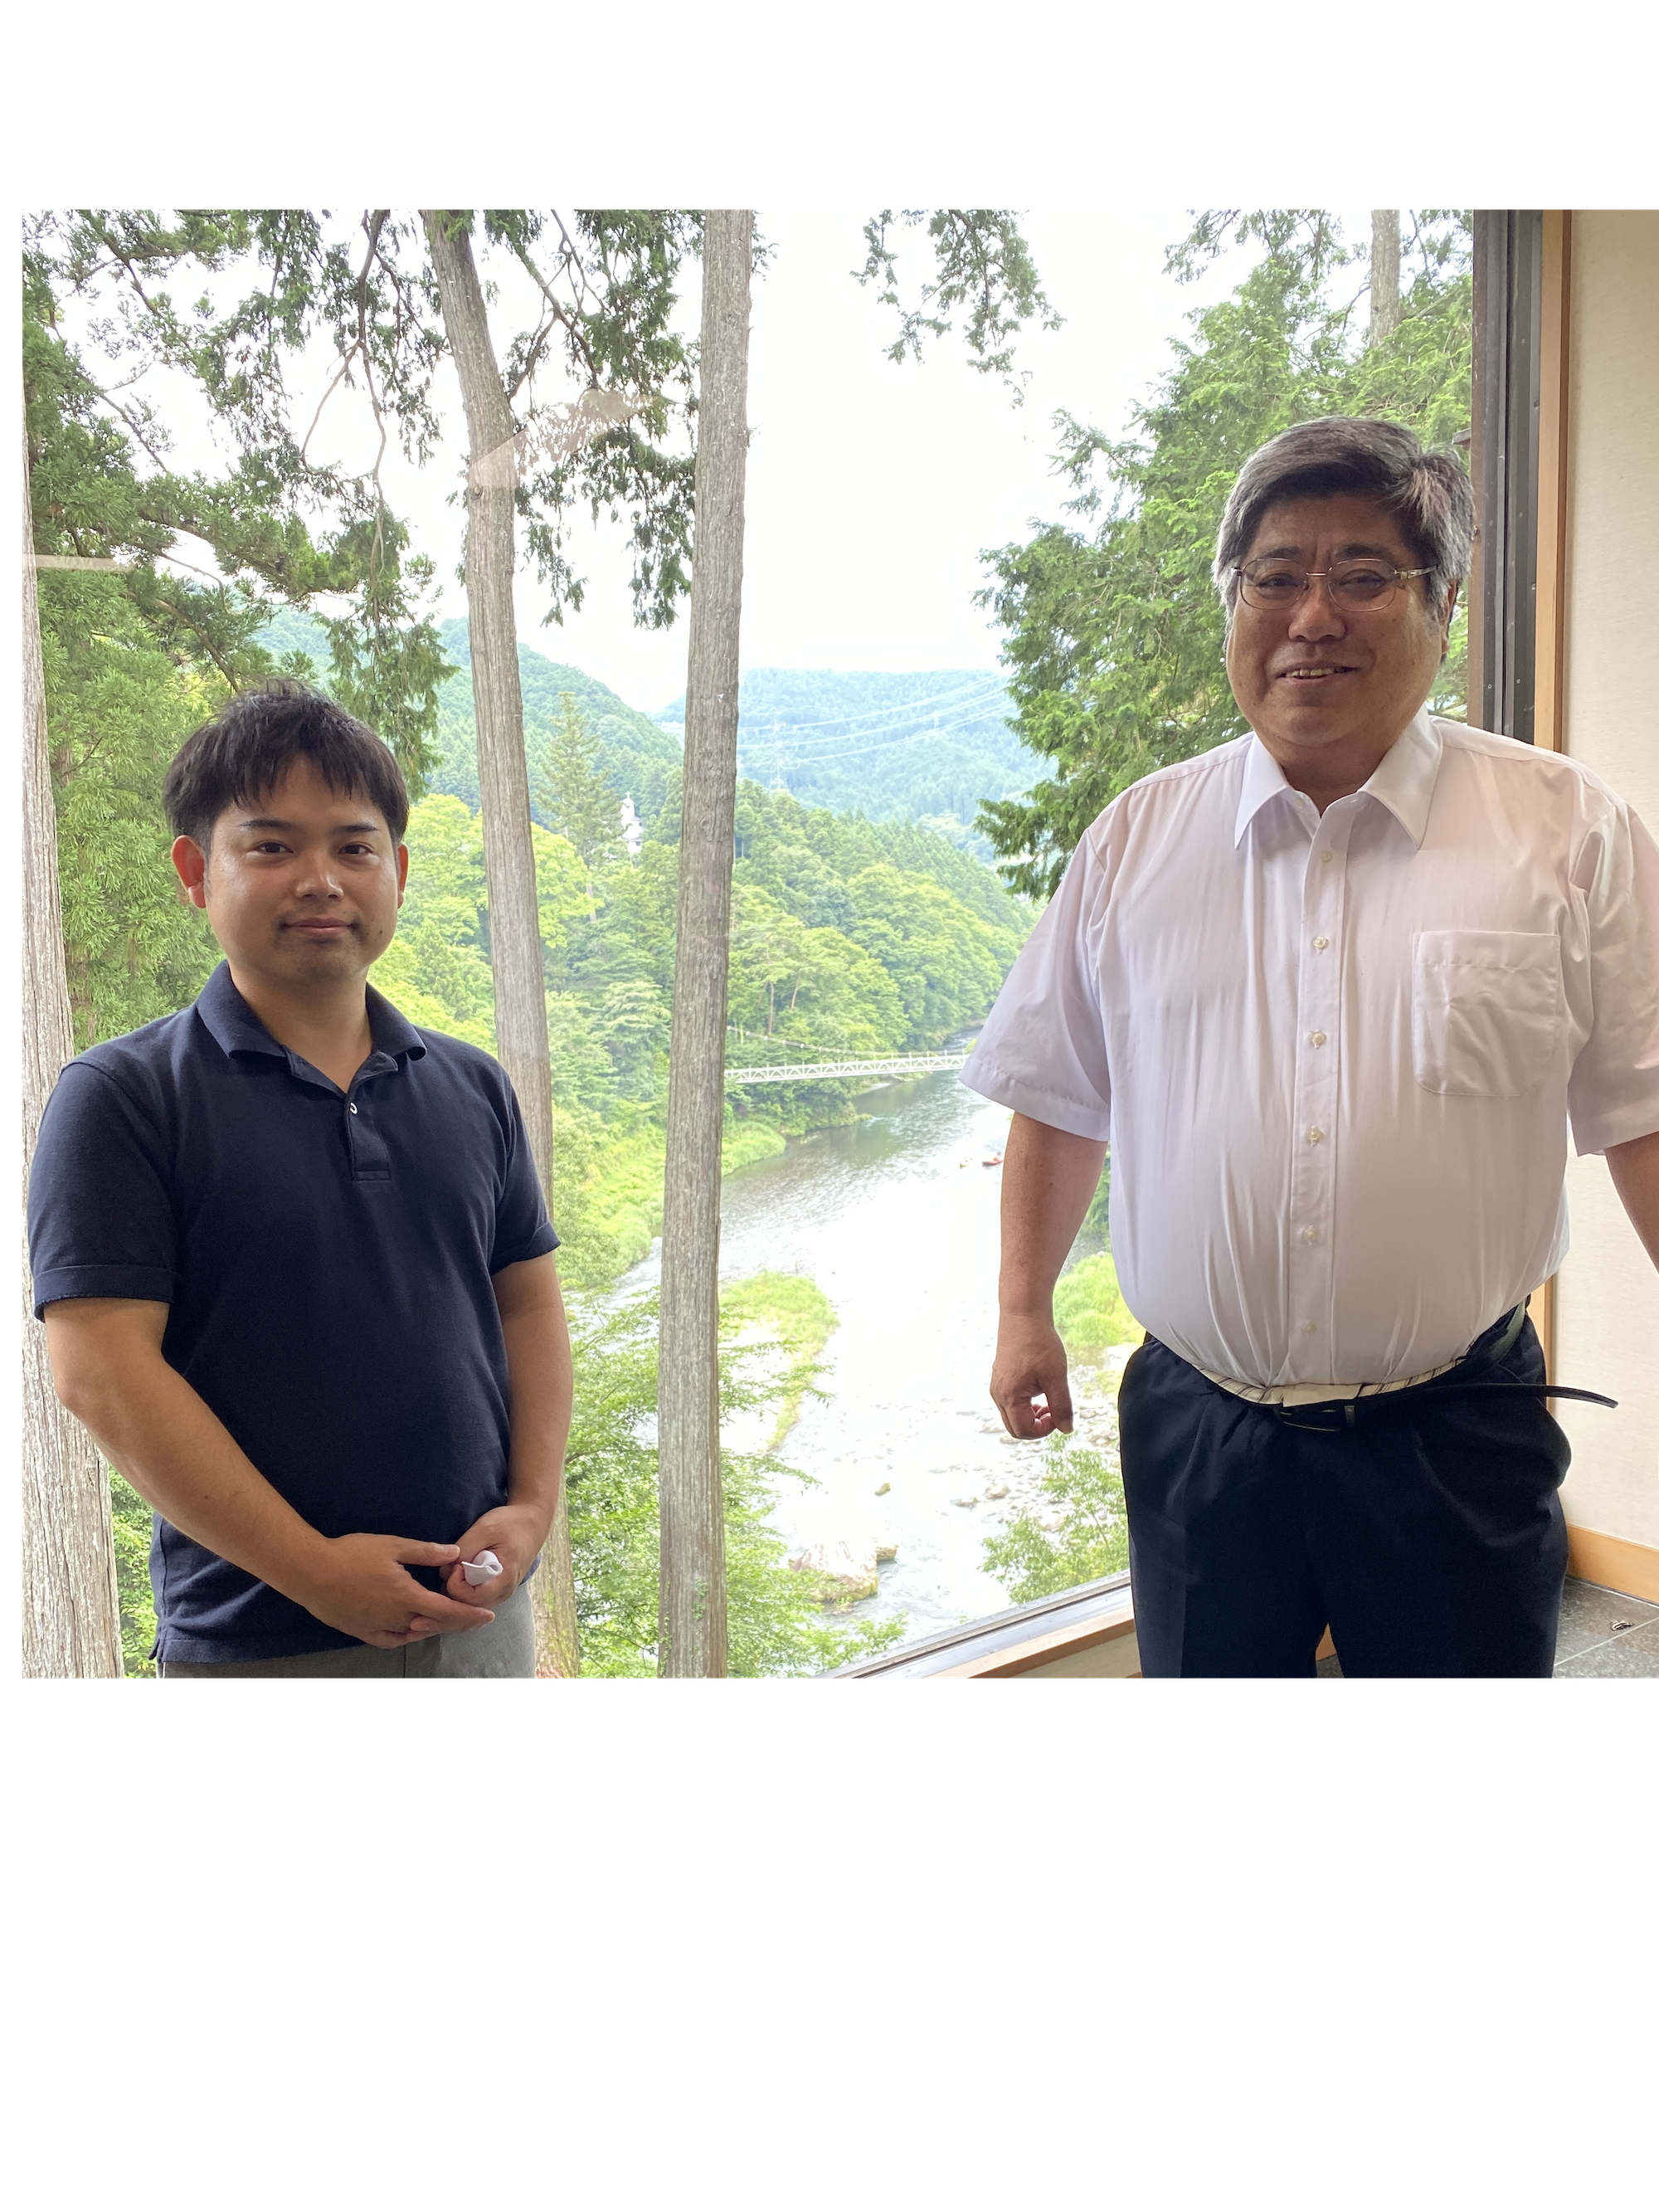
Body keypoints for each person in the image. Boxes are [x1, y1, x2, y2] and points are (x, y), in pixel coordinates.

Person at [964, 417, 1659, 1681]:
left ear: (1444, 603)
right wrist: (1023, 1311)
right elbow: (1060, 1095)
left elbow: (1646, 1115)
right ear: (1234, 602)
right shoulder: (1136, 840)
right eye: (1275, 575)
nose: (1313, 616)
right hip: (1200, 1432)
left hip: (1456, 1427)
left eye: (1364, 574)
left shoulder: (1569, 834)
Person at [28, 683, 572, 1678]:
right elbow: (100, 1371)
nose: (320, 879)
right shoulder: (124, 1097)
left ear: (396, 871)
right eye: (272, 845)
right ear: (197, 871)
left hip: (481, 1615)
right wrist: (314, 1571)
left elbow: (527, 1303)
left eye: (354, 846)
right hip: (260, 1639)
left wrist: (532, 1507)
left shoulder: (470, 1084)